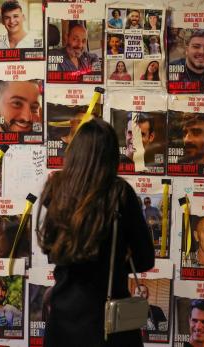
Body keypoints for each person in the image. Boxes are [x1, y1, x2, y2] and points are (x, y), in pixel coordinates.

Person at [36, 118, 155, 346]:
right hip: (108, 322)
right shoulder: (119, 193)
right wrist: (120, 252)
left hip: (63, 320)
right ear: (111, 156)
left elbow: (52, 252)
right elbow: (144, 259)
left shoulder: (58, 189)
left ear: (75, 152)